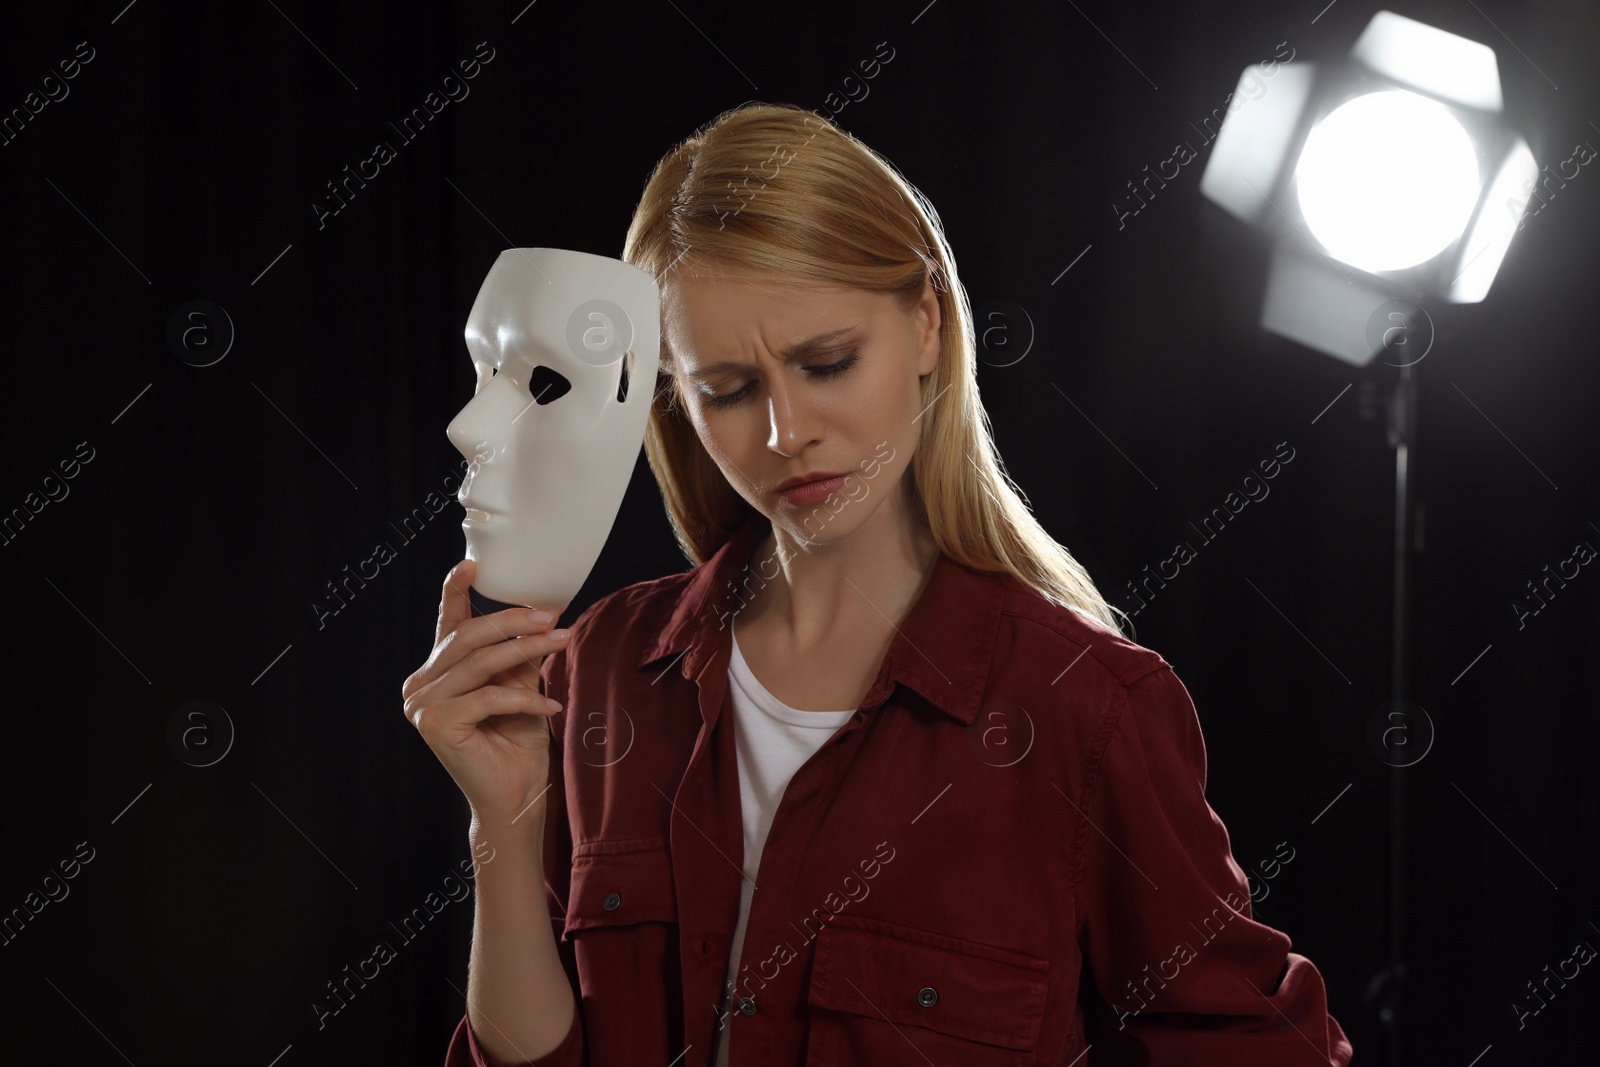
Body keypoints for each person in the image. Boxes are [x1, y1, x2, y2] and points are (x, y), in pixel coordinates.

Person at [409, 101, 1354, 1066]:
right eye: (727, 389)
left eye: (828, 362)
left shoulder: (1088, 711)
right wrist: (503, 826)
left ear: (929, 324)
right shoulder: (603, 666)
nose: (786, 432)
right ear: (674, 399)